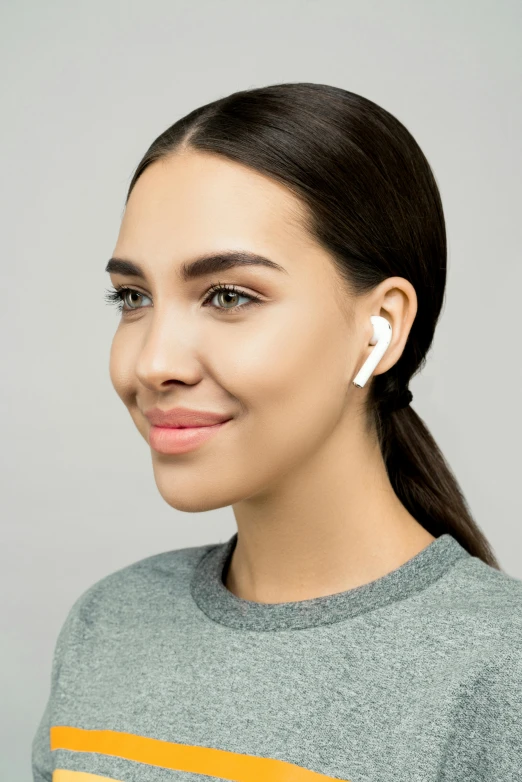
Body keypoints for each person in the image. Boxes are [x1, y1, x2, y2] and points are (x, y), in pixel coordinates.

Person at [32, 82, 522, 781]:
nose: (154, 362)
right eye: (133, 297)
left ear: (380, 328)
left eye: (228, 296)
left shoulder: (502, 672)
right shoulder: (108, 625)